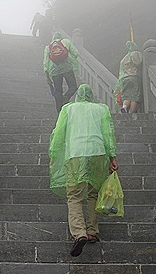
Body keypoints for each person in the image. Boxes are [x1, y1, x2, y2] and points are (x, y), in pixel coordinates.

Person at [48, 84, 119, 257]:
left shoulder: (68, 108)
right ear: (92, 95)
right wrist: (112, 156)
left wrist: (53, 153)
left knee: (74, 196)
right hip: (98, 153)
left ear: (77, 95)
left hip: (75, 154)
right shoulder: (101, 109)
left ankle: (79, 233)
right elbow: (108, 133)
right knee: (94, 193)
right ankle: (92, 231)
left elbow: (58, 133)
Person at [43, 31, 80, 112]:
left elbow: (45, 64)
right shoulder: (66, 41)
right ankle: (66, 98)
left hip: (54, 71)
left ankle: (59, 110)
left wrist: (47, 77)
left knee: (58, 91)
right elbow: (76, 53)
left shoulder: (48, 47)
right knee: (73, 86)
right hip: (67, 68)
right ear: (61, 37)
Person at [115, 41, 142, 113]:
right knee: (134, 98)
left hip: (124, 78)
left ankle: (124, 107)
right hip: (133, 77)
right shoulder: (134, 54)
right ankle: (131, 113)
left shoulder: (124, 58)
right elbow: (138, 62)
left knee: (127, 96)